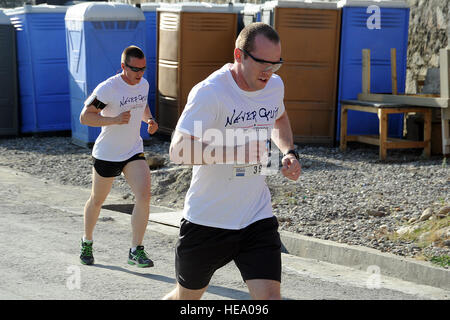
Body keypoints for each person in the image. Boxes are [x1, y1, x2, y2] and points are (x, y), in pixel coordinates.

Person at [164, 23, 301, 300]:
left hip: (255, 217)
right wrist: (234, 152)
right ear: (239, 55)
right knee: (187, 298)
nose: (269, 71)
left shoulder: (274, 86)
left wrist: (288, 152)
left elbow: (280, 117)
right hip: (207, 221)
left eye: (277, 64)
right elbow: (178, 150)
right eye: (263, 63)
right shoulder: (211, 92)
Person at [79, 45, 158, 267]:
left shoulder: (143, 84)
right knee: (97, 200)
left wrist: (149, 120)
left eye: (143, 69)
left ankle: (136, 249)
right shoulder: (108, 89)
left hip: (133, 151)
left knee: (144, 196)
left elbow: (142, 105)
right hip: (107, 153)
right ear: (123, 66)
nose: (139, 74)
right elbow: (85, 117)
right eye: (135, 69)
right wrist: (112, 120)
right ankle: (87, 241)